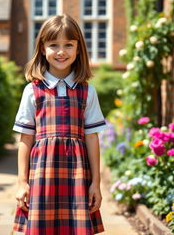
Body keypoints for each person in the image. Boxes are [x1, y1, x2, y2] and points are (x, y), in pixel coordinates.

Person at [13, 14, 107, 235]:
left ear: (78, 49)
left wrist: (96, 183)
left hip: (77, 176)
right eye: (54, 44)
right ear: (43, 48)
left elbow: (92, 138)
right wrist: (21, 182)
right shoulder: (32, 90)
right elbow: (26, 139)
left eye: (68, 45)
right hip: (41, 175)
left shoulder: (87, 91)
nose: (61, 51)